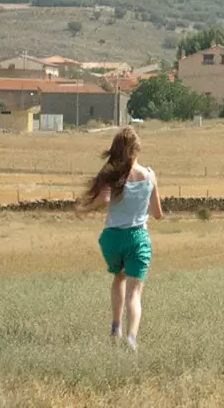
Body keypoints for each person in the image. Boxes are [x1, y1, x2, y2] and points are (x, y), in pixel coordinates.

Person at [75, 126, 164, 351]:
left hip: (112, 238)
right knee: (135, 292)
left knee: (119, 278)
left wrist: (84, 209)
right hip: (137, 238)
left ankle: (116, 327)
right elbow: (158, 214)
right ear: (137, 150)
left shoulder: (112, 175)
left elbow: (103, 199)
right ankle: (131, 337)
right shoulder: (149, 176)